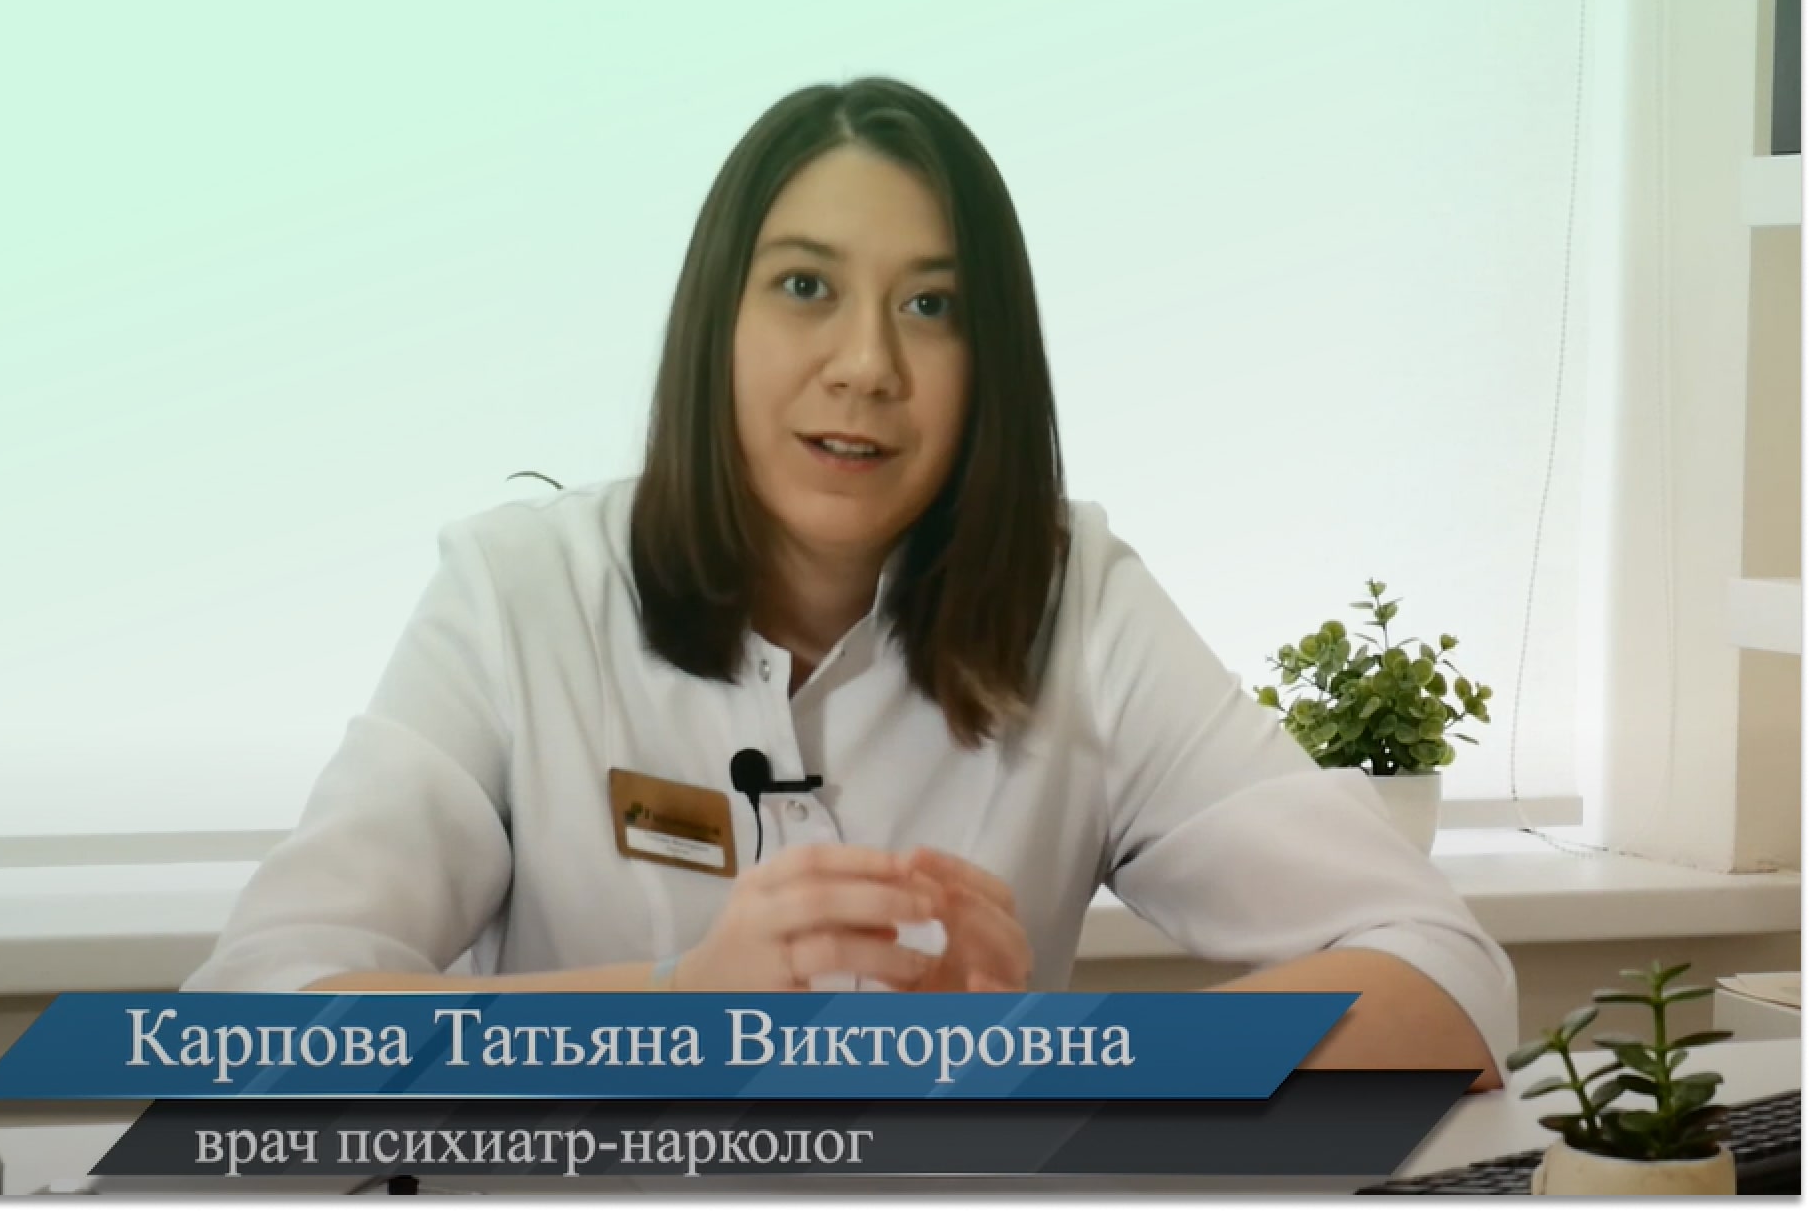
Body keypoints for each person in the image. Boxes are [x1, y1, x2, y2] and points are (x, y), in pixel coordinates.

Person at [185, 76, 1515, 1089]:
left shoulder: (1078, 605)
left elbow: (1445, 978)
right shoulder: (519, 593)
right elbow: (253, 1023)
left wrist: (1041, 1057)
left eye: (932, 306)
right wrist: (682, 1008)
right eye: (805, 286)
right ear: (715, 321)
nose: (867, 365)